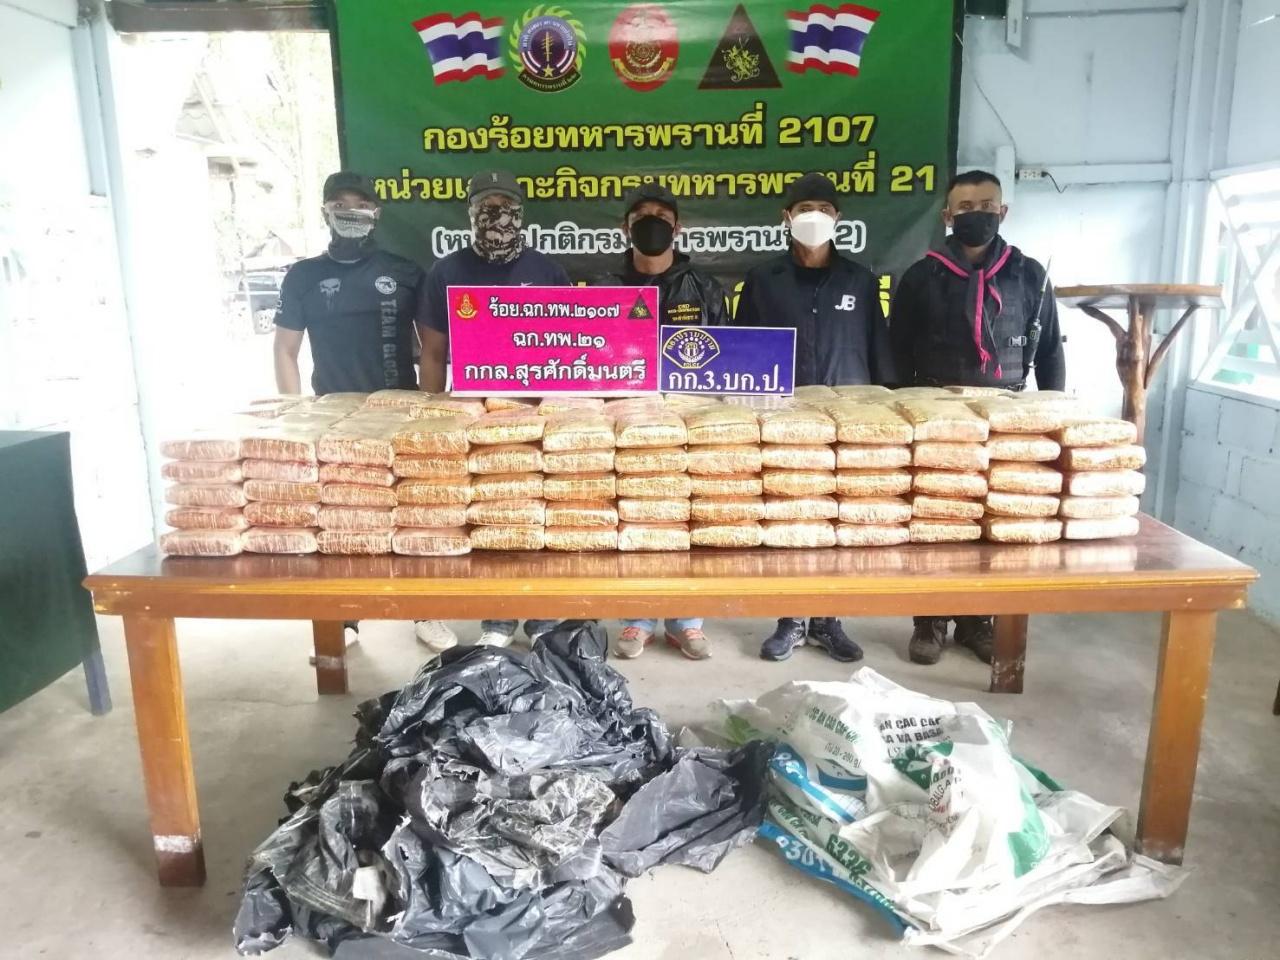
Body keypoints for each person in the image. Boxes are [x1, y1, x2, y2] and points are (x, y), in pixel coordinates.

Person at [273, 171, 457, 653]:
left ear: (376, 212)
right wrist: (294, 415)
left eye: (359, 203)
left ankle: (426, 610)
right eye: (339, 203)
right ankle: (342, 618)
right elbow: (286, 351)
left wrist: (430, 409)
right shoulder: (303, 276)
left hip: (399, 408)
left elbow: (431, 349)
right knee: (339, 518)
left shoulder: (405, 271)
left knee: (414, 511)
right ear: (325, 211)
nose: (349, 211)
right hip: (331, 412)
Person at [890, 169, 1065, 666]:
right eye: (966, 208)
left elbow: (1050, 351)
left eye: (987, 206)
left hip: (1006, 421)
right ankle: (929, 620)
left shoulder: (1030, 275)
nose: (977, 215)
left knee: (993, 526)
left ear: (1002, 212)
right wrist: (904, 418)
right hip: (936, 418)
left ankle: (976, 621)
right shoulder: (921, 275)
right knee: (938, 521)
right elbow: (896, 351)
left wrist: (1053, 415)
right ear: (948, 216)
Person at [737, 172, 894, 664]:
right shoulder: (763, 280)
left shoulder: (860, 280)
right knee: (789, 514)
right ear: (786, 217)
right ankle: (789, 619)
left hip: (846, 419)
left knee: (836, 519)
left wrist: (882, 408)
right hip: (781, 416)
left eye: (824, 210)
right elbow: (742, 352)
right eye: (805, 209)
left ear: (837, 218)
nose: (814, 217)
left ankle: (829, 621)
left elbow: (879, 352)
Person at [417, 170, 570, 649]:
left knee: (535, 508)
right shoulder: (446, 272)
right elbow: (432, 353)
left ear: (522, 213)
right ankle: (498, 618)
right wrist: (432, 411)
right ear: (470, 212)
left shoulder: (547, 271)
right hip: (473, 413)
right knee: (490, 513)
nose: (497, 215)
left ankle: (541, 613)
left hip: (534, 410)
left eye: (507, 206)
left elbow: (571, 345)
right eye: (487, 206)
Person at [594, 183, 729, 660]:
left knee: (685, 515)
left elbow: (727, 358)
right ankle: (637, 618)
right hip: (626, 418)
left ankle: (687, 621)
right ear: (625, 227)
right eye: (641, 216)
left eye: (661, 215)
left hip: (688, 420)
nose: (651, 222)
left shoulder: (705, 287)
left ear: (677, 227)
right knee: (635, 512)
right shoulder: (605, 288)